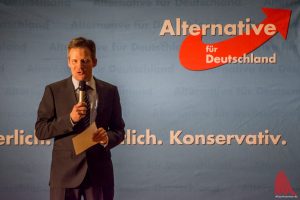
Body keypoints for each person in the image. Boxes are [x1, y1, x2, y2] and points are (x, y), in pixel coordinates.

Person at [35, 37, 125, 200]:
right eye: (74, 61)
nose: (79, 66)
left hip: (99, 174)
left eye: (85, 61)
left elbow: (119, 130)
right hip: (64, 175)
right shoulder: (53, 90)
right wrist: (70, 119)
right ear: (68, 62)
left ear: (94, 62)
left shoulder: (110, 91)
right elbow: (41, 130)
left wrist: (106, 139)